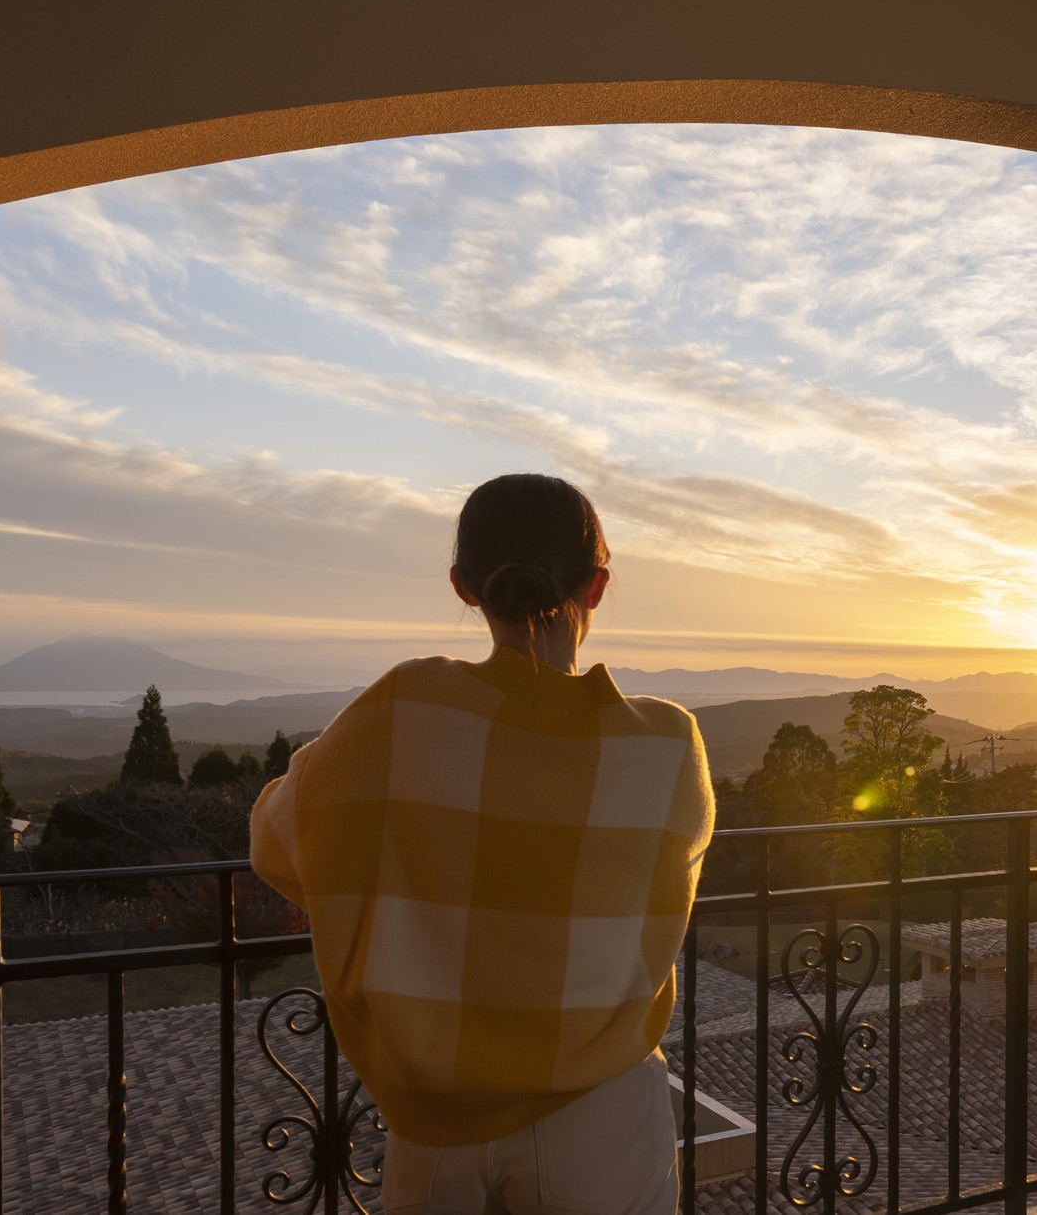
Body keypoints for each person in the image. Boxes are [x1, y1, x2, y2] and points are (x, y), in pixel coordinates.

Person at [251, 473, 714, 1214]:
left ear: (465, 587)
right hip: (603, 1110)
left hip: (438, 1119)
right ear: (597, 587)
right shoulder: (666, 744)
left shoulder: (399, 712)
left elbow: (276, 842)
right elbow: (659, 905)